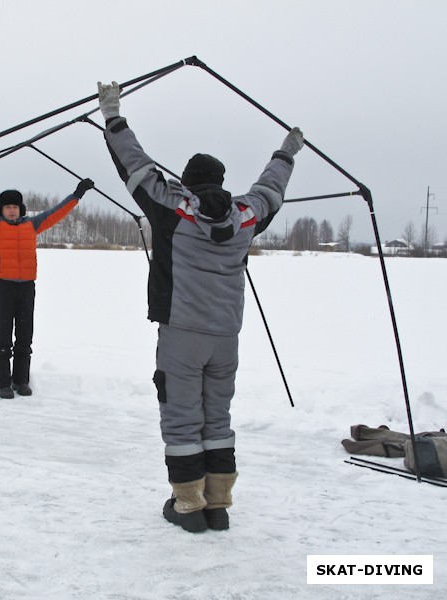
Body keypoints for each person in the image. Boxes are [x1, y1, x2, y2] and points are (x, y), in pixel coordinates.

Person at [96, 81, 304, 532]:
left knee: (182, 415)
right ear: (221, 183)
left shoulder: (174, 207)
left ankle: (189, 505)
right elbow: (272, 188)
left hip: (182, 334)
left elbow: (134, 163)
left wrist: (112, 114)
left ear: (188, 181)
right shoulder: (245, 215)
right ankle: (219, 504)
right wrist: (287, 151)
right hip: (226, 337)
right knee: (218, 416)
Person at [0, 158, 94, 399]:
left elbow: (57, 213)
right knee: (3, 335)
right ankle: (3, 383)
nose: (11, 210)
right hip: (5, 287)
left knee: (25, 335)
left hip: (27, 288)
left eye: (15, 206)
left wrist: (77, 195)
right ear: (1, 210)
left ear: (20, 209)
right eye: (7, 207)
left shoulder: (32, 225)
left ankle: (21, 381)